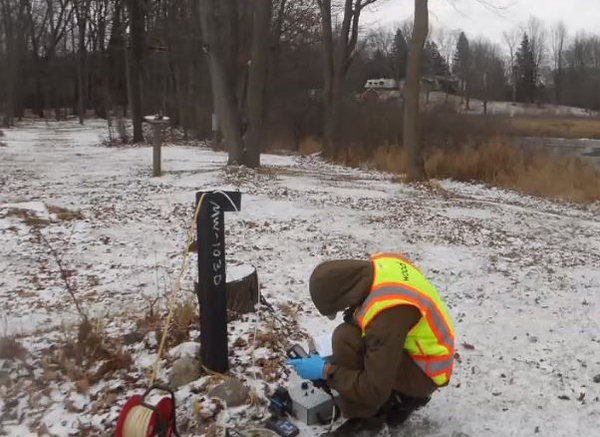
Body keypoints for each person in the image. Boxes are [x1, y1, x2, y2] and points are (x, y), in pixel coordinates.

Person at [287, 252, 455, 437]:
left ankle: (367, 422)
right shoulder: (383, 263)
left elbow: (373, 390)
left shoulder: (388, 313)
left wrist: (326, 371)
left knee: (346, 341)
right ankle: (397, 396)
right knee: (345, 335)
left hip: (427, 371)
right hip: (424, 350)